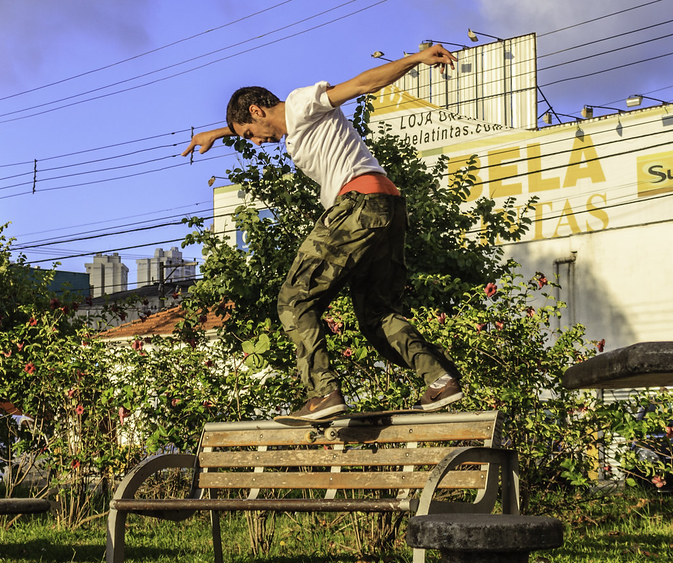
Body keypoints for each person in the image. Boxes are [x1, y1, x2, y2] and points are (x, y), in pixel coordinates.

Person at [182, 43, 463, 421]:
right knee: (376, 315)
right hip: (388, 207)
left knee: (294, 299)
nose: (256, 142)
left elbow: (362, 84)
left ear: (257, 110)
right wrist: (218, 134)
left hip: (358, 206)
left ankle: (323, 393)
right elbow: (256, 126)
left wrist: (415, 59)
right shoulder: (295, 127)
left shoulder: (300, 103)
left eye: (250, 132)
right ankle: (440, 379)